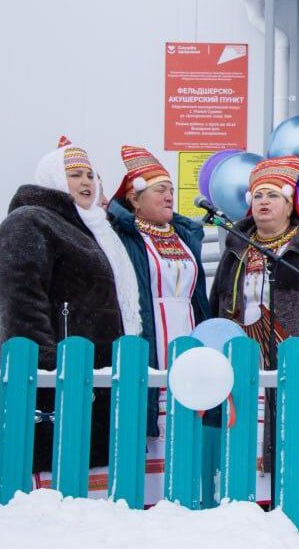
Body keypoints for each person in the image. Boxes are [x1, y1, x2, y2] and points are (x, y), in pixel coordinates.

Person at [0, 137, 135, 481]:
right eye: (75, 175)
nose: (86, 182)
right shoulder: (30, 221)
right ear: (52, 177)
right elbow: (23, 302)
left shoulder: (88, 228)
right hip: (57, 378)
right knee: (53, 475)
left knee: (89, 475)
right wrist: (46, 368)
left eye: (90, 175)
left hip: (92, 376)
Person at [208, 155, 299, 504]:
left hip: (294, 361)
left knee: (290, 444)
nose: (264, 202)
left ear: (289, 204)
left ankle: (286, 520)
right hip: (242, 363)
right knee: (246, 444)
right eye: (258, 196)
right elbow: (216, 305)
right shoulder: (236, 247)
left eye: (272, 195)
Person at [106, 145, 211, 503]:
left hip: (188, 334)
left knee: (188, 421)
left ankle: (187, 498)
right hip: (151, 337)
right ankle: (149, 502)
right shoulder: (124, 237)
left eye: (170, 190)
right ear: (134, 199)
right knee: (151, 421)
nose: (169, 196)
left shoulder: (185, 235)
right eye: (159, 190)